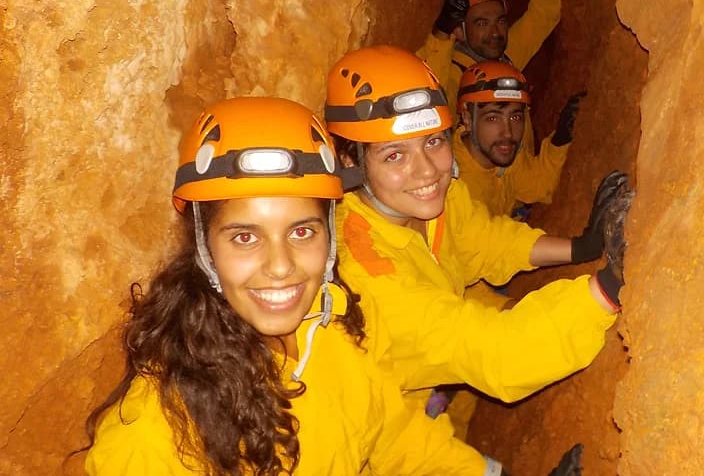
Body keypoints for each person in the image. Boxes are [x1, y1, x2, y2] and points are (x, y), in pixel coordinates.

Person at [80, 97, 508, 475]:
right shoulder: (155, 435)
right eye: (245, 237)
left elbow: (395, 437)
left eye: (302, 232)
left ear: (330, 235)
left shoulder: (334, 330)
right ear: (204, 246)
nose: (281, 267)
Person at [323, 46, 633, 422]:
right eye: (394, 155)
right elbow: (496, 354)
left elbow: (488, 241)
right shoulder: (364, 273)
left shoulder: (439, 198)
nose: (426, 172)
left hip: (442, 385)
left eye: (433, 142)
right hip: (391, 433)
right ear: (350, 161)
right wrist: (607, 287)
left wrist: (581, 247)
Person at [416, 0, 565, 117]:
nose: (495, 33)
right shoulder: (456, 74)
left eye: (500, 21)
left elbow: (540, 21)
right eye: (482, 24)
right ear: (459, 31)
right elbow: (429, 93)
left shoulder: (504, 57)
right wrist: (443, 30)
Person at [454, 60, 586, 218]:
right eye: (493, 118)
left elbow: (536, 185)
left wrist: (560, 139)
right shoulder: (455, 188)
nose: (508, 133)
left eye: (515, 117)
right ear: (468, 119)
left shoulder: (500, 154)